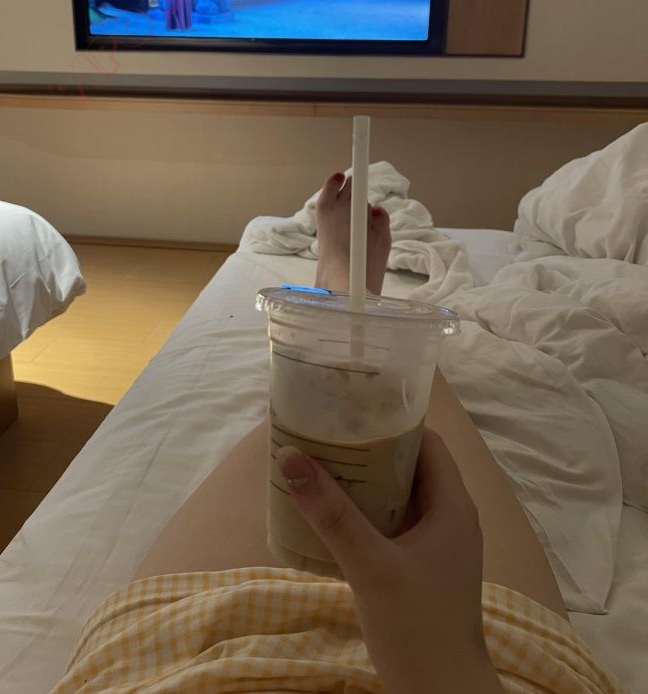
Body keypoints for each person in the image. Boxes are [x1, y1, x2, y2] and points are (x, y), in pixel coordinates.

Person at [52, 173, 620, 693]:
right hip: (481, 661)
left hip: (199, 658)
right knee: (399, 386)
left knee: (329, 398)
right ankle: (353, 299)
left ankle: (342, 290)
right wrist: (445, 664)